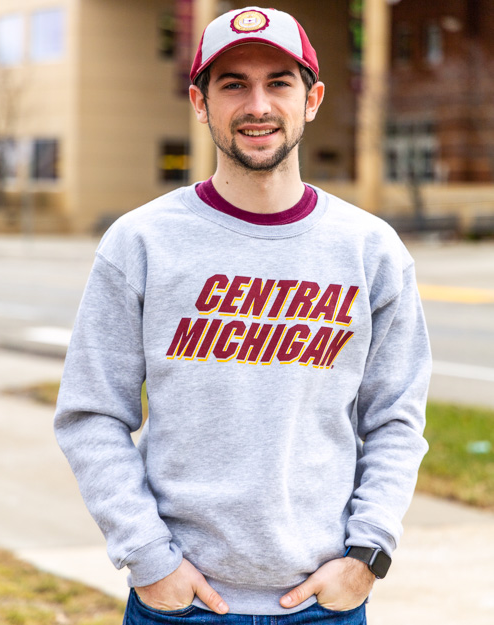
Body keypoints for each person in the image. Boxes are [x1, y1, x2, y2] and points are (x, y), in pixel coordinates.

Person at [54, 6, 431, 624]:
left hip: (324, 603)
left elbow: (395, 420)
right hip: (178, 604)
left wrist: (369, 553)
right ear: (200, 104)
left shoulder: (370, 250)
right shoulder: (141, 242)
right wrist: (150, 559)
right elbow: (91, 414)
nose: (258, 104)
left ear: (312, 99)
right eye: (233, 84)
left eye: (278, 82)